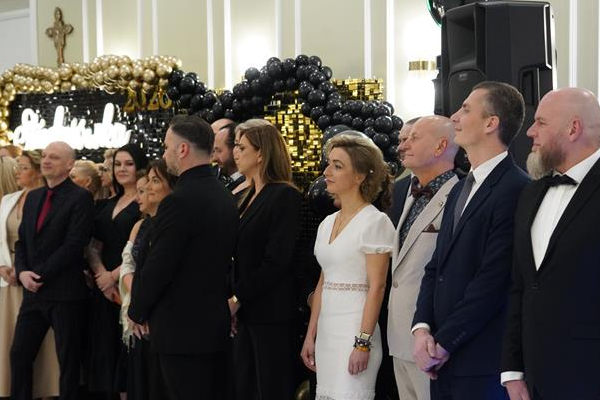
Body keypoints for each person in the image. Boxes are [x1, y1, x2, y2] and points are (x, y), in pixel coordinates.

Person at [411, 81, 530, 400]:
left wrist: (445, 342)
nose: (454, 116)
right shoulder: (460, 188)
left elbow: (493, 280)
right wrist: (422, 327)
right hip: (440, 357)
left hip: (480, 359)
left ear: (491, 123)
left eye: (465, 109)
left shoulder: (516, 188)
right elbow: (436, 267)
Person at [128, 115, 238, 400]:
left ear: (183, 149)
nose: (165, 154)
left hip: (180, 329)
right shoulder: (224, 195)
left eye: (167, 147)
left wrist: (137, 310)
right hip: (214, 324)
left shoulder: (179, 201)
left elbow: (160, 264)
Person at [501, 88, 600, 400]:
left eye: (541, 123)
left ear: (573, 129)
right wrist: (513, 370)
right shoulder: (531, 193)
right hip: (536, 377)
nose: (530, 132)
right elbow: (521, 286)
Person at [301, 134, 395, 400]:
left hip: (355, 331)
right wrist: (311, 335)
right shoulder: (327, 223)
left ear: (360, 176)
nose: (326, 172)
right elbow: (323, 281)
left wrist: (363, 343)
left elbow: (377, 287)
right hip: (327, 333)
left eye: (337, 166)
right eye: (328, 164)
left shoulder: (375, 222)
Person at [10, 141, 95, 400]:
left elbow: (74, 245)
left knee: (68, 362)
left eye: (54, 157)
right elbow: (22, 242)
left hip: (65, 293)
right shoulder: (34, 196)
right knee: (19, 355)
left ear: (69, 165)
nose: (46, 160)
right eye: (45, 156)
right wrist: (22, 272)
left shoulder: (80, 198)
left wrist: (39, 275)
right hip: (33, 293)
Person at [228, 119, 302, 400]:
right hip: (247, 311)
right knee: (245, 387)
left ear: (261, 153)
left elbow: (277, 260)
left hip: (271, 313)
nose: (235, 152)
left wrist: (238, 298)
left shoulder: (284, 195)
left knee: (270, 388)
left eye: (241, 147)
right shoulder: (247, 195)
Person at [387, 116, 459, 400]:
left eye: (414, 138)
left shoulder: (461, 194)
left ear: (440, 146)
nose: (403, 145)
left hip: (434, 338)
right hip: (398, 332)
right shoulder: (401, 192)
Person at [86, 143, 148, 398]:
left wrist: (113, 276)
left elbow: (142, 248)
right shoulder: (105, 203)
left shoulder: (144, 202)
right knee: (105, 350)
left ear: (139, 167)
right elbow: (93, 245)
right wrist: (101, 275)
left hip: (129, 283)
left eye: (128, 164)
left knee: (128, 352)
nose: (122, 169)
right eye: (118, 164)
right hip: (103, 287)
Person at [0, 152, 60, 400]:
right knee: (12, 343)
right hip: (8, 279)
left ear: (37, 171)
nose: (17, 172)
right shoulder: (8, 200)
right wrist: (2, 266)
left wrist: (26, 269)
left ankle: (46, 390)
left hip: (38, 278)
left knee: (43, 343)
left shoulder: (50, 199)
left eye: (23, 167)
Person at [119, 159, 176, 400]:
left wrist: (142, 302)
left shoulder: (171, 225)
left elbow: (161, 273)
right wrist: (137, 300)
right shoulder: (142, 225)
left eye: (155, 181)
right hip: (137, 307)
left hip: (157, 313)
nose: (146, 191)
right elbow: (128, 264)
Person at [212, 118, 246, 191]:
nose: (214, 158)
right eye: (214, 151)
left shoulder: (252, 185)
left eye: (219, 151)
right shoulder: (211, 174)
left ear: (236, 149)